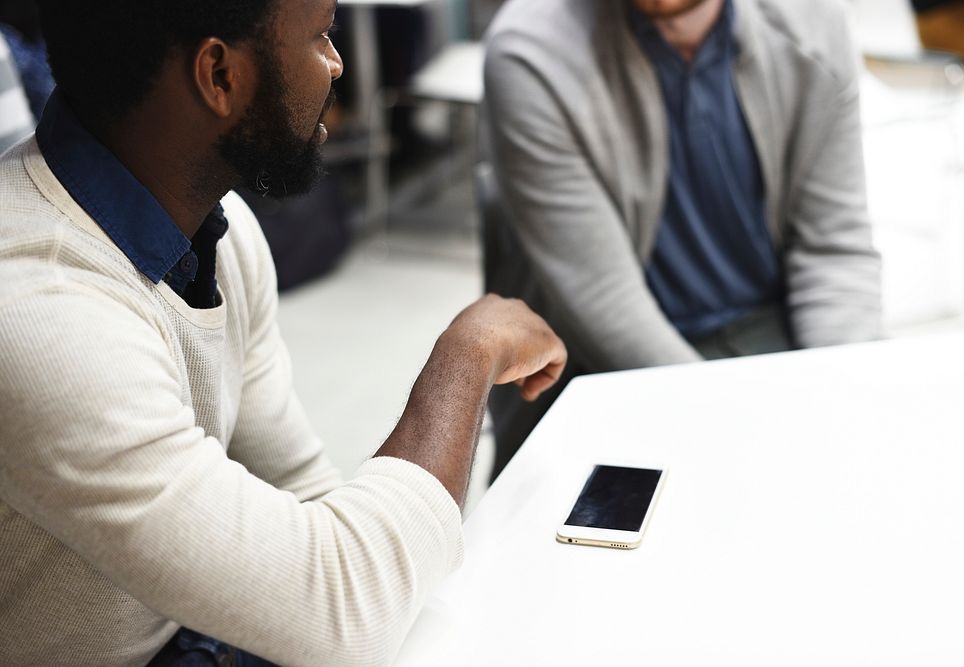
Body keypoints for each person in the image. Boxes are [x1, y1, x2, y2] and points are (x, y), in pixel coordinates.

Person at [0, 1, 566, 666]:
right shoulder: (42, 315)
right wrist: (468, 357)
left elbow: (306, 496)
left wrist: (367, 574)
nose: (337, 64)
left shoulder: (223, 234)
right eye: (322, 34)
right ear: (219, 75)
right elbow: (342, 608)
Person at [481, 0, 884, 478]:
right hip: (605, 368)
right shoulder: (533, 51)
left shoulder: (811, 21)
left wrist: (836, 390)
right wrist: (742, 434)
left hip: (774, 330)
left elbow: (834, 249)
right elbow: (603, 301)